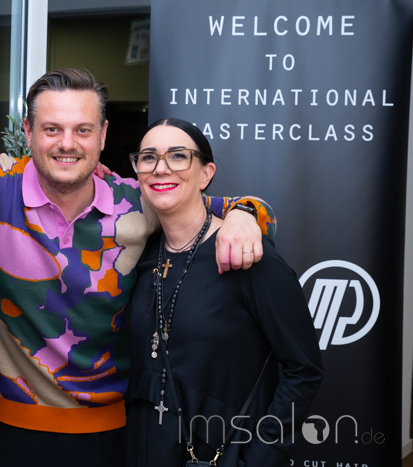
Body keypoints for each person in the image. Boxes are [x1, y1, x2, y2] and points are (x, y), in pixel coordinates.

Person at [0, 68, 277, 466]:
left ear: (102, 135)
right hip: (3, 431)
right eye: (52, 129)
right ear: (28, 132)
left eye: (82, 129)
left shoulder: (138, 201)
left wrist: (245, 216)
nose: (67, 143)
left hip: (114, 435)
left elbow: (245, 208)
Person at [124, 118, 323, 466]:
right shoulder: (139, 253)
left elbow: (303, 369)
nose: (160, 168)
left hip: (222, 454)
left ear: (206, 173)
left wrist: (261, 455)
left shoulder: (246, 255)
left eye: (178, 156)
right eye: (148, 157)